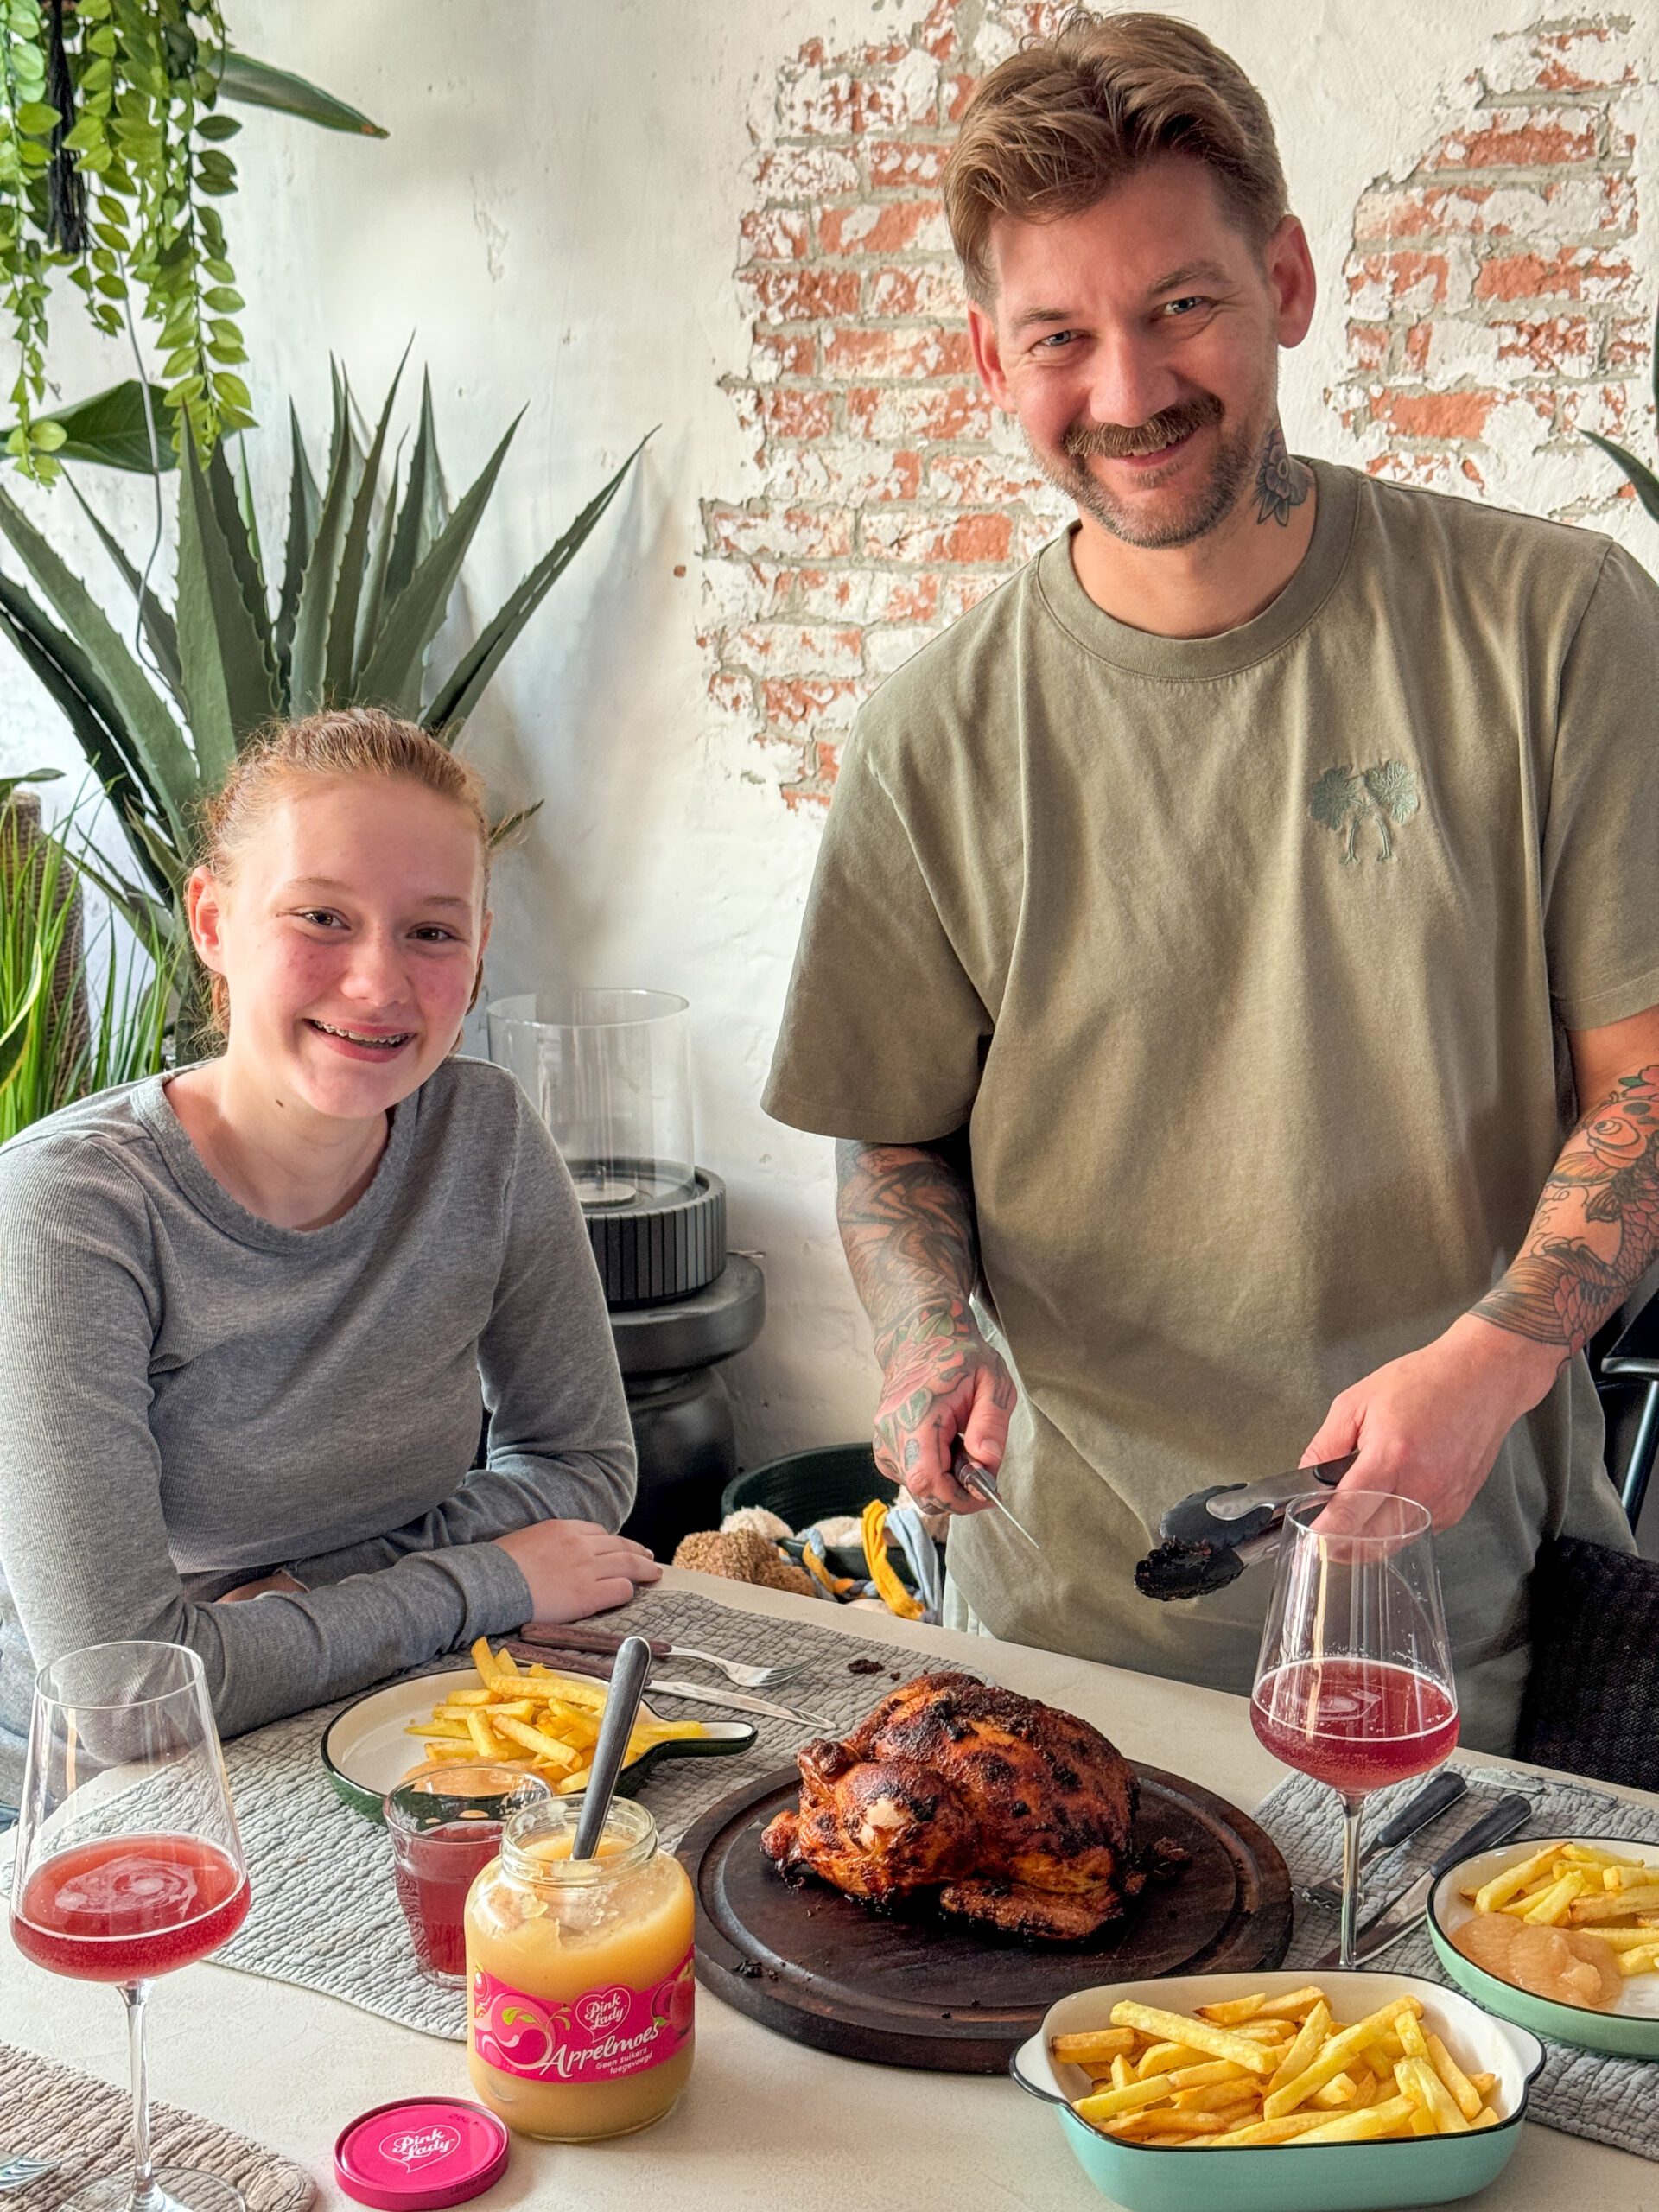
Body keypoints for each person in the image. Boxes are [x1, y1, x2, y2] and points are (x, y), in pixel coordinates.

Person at [762, 8, 1658, 1751]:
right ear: (987, 358)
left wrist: (1487, 1368)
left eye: (1181, 305)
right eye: (1060, 336)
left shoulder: (1556, 626)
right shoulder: (934, 729)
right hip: (1058, 1657)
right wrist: (927, 1335)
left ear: (1290, 282)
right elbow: (892, 1140)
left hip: (1474, 1636)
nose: (1129, 392)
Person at [0, 708, 656, 1799]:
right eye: (321, 917)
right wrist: (481, 1579)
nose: (377, 984)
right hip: (94, 1797)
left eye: (433, 932)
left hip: (383, 1701)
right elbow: (124, 1692)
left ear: (481, 949)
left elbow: (586, 1466)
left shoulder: (484, 1133)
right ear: (212, 920)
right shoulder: (67, 1209)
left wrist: (299, 1590)